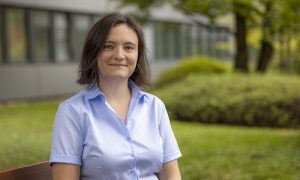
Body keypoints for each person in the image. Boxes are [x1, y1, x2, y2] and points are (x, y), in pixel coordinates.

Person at [49, 13, 182, 180]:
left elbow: (171, 175)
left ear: (138, 56)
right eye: (108, 46)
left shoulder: (155, 107)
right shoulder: (72, 111)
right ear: (94, 53)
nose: (119, 55)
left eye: (129, 47)